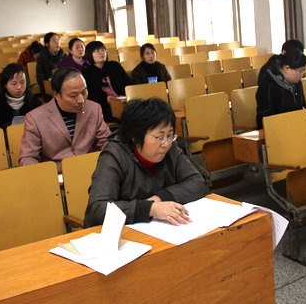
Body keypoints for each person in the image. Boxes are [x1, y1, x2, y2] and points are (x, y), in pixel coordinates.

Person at [84, 97, 209, 227]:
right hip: (116, 233)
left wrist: (160, 198)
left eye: (170, 135)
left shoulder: (171, 148)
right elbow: (97, 209)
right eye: (158, 137)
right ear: (134, 136)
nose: (166, 143)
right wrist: (150, 208)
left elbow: (198, 182)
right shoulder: (114, 155)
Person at [19, 68, 111, 172]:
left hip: (91, 170)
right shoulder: (35, 118)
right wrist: (45, 175)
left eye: (84, 92)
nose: (81, 100)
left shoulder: (94, 109)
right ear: (56, 95)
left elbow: (106, 142)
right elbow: (28, 157)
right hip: (57, 174)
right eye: (73, 95)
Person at [255, 49, 306, 129]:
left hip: (294, 125)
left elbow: (302, 105)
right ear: (286, 68)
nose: (302, 74)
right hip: (273, 129)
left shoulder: (297, 82)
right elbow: (267, 117)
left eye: (304, 70)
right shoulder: (268, 85)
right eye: (300, 71)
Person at [82, 40, 131, 123]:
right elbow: (89, 95)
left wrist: (125, 96)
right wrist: (106, 100)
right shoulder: (87, 73)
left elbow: (128, 83)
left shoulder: (115, 66)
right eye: (97, 51)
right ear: (90, 54)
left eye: (103, 50)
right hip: (103, 107)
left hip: (123, 102)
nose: (101, 53)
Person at [0, 63, 41, 129]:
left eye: (22, 82)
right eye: (14, 83)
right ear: (5, 85)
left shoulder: (35, 102)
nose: (19, 87)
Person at [36, 32, 65, 97]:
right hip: (49, 88)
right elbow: (40, 78)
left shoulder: (64, 55)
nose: (57, 42)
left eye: (58, 40)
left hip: (63, 86)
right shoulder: (41, 58)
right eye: (54, 40)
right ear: (47, 44)